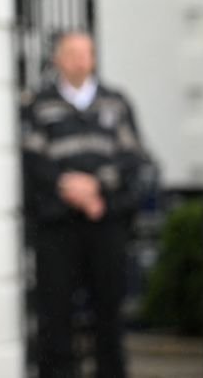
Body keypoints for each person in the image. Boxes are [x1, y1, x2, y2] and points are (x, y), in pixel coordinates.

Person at [21, 31, 152, 378]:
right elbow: (33, 160)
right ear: (58, 60)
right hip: (57, 225)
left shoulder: (115, 102)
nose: (80, 60)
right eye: (72, 53)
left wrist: (95, 187)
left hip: (105, 220)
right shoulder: (41, 104)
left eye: (86, 53)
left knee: (108, 309)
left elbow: (133, 157)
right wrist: (68, 186)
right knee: (55, 311)